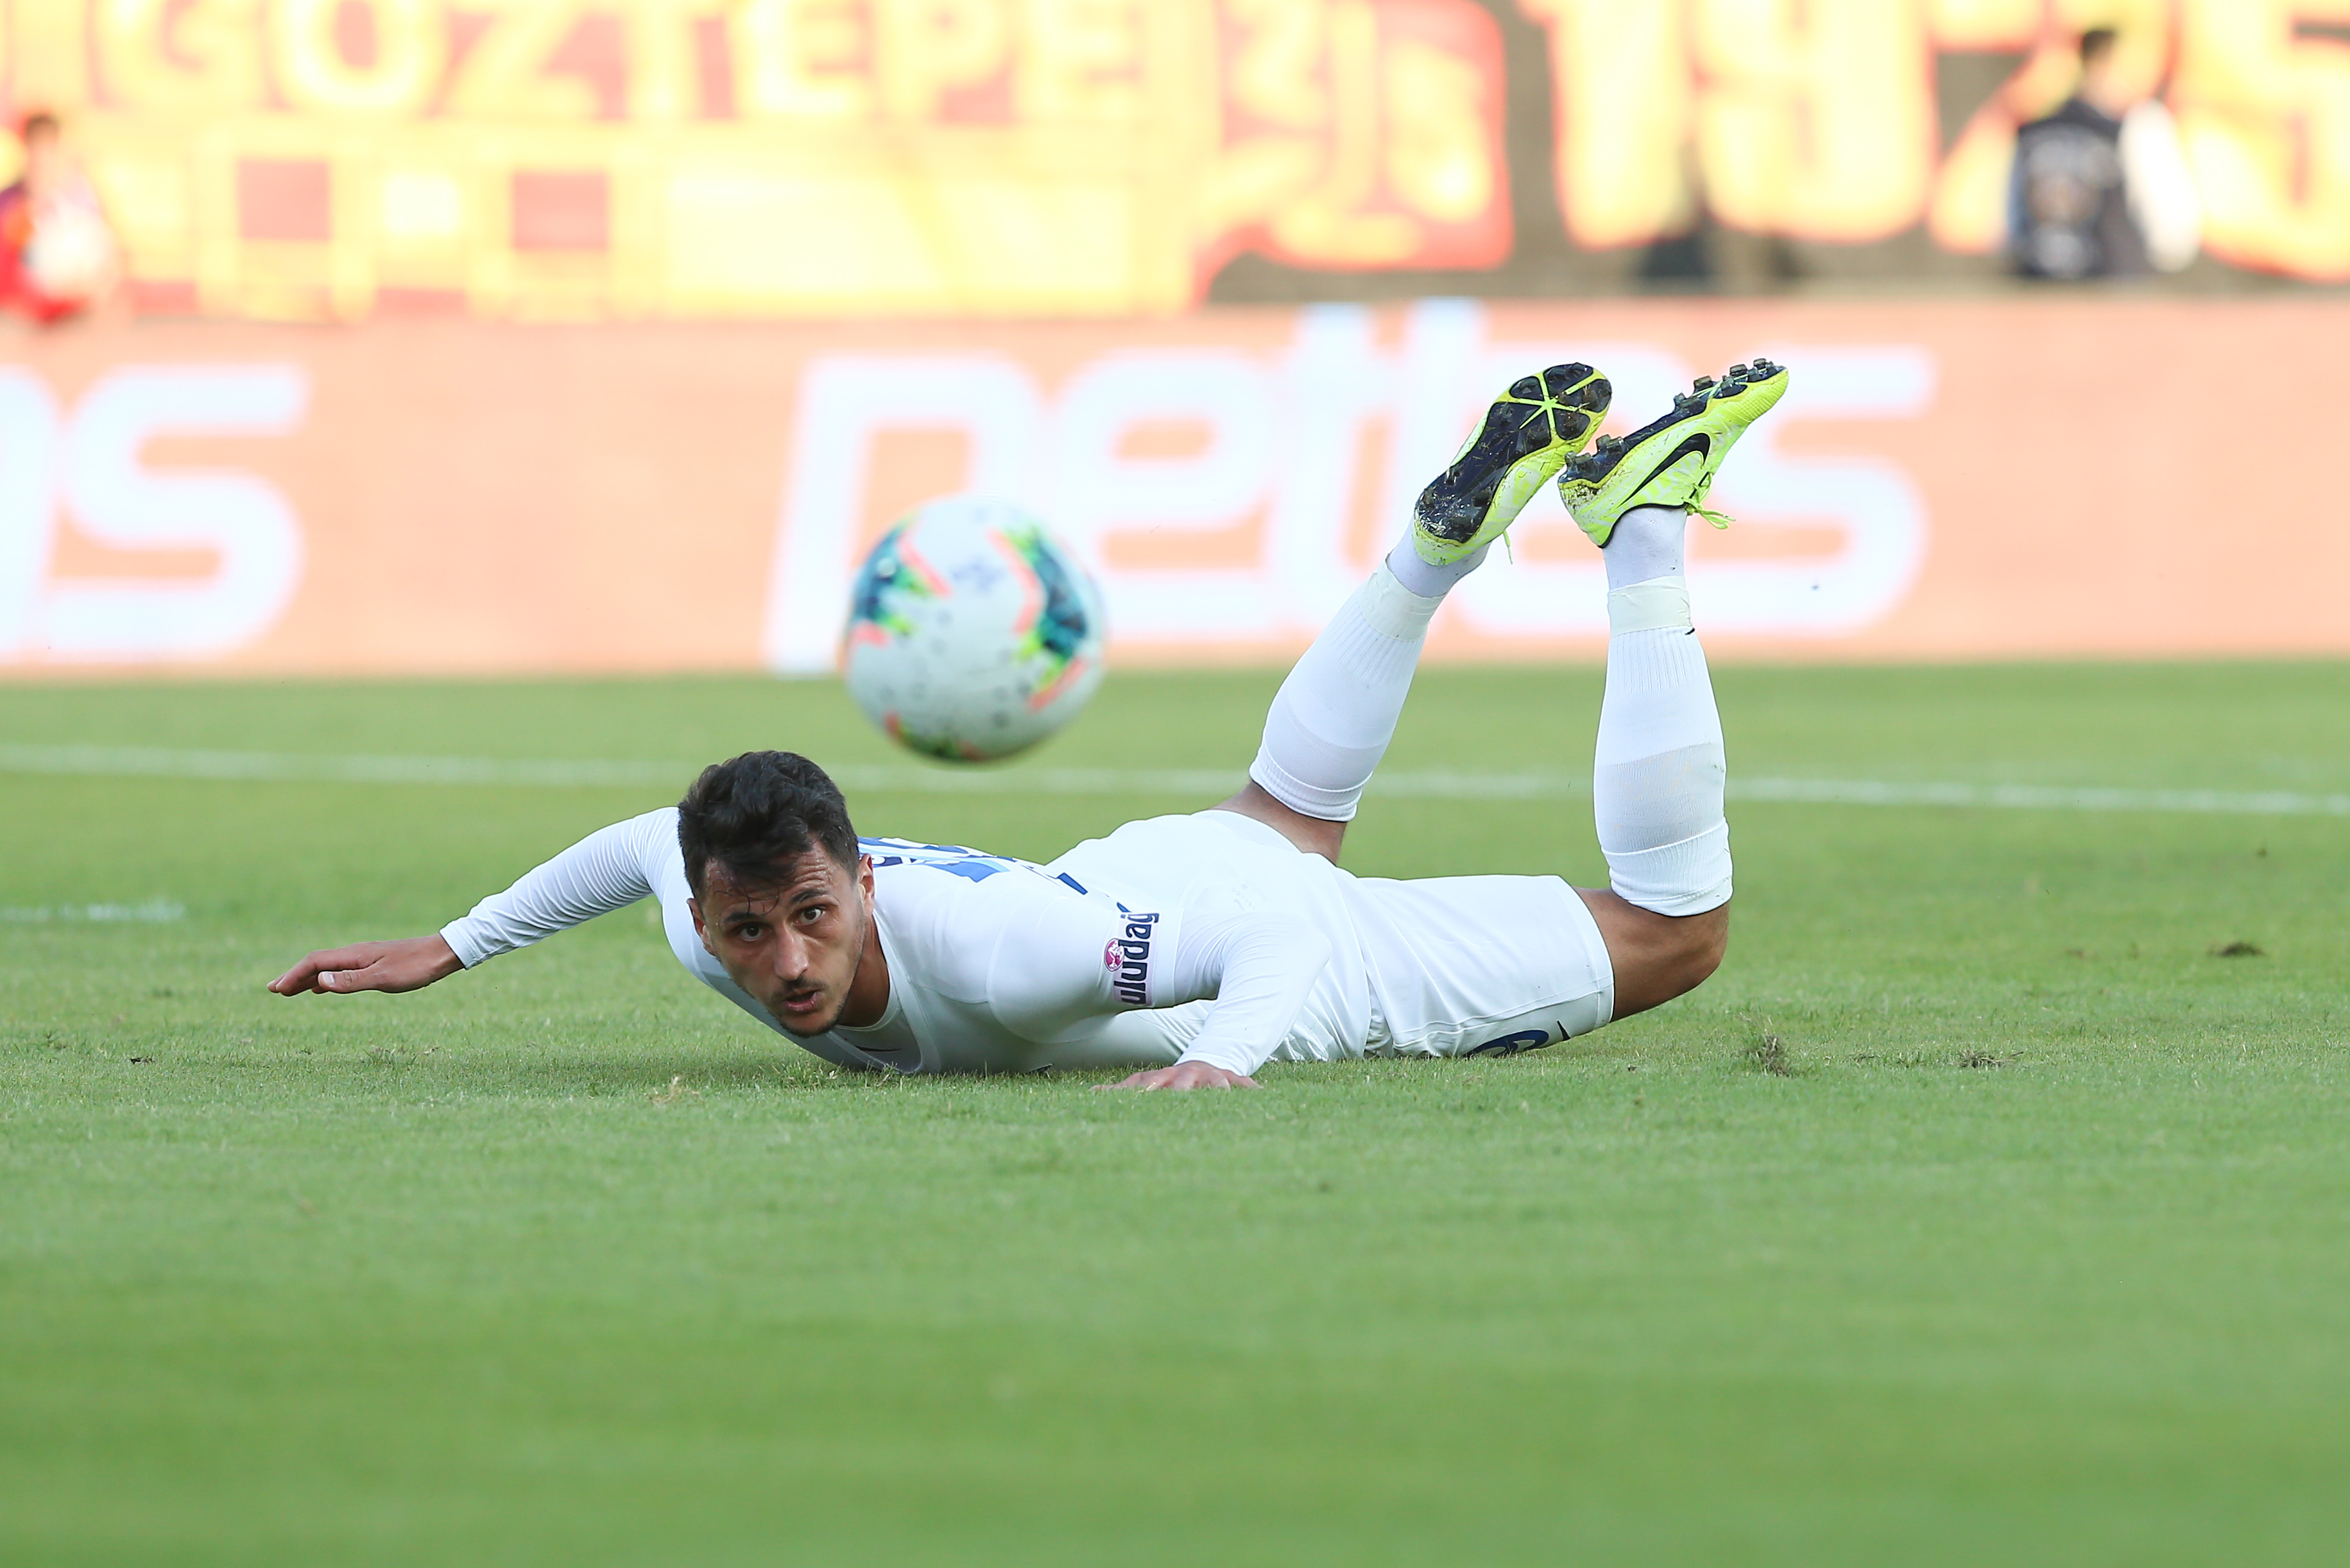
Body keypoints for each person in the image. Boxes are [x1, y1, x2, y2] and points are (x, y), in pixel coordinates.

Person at [270, 360, 1788, 1089]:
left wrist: (1226, 1065)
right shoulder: (700, 908)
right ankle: (1429, 555)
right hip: (1132, 877)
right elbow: (631, 845)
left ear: (863, 880)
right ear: (709, 910)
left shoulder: (1009, 961)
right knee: (1282, 812)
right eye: (748, 932)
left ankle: (1640, 527)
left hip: (1190, 936)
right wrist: (455, 945)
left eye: (809, 917)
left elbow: (1278, 941)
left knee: (1675, 931)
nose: (782, 963)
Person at [2009, 27, 2200, 280]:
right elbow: (2171, 224)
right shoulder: (2137, 126)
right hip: (2112, 282)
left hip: (2040, 280)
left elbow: (2012, 224)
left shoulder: (2035, 131)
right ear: (2105, 64)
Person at [0, 111, 123, 325]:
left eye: (47, 146)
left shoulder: (82, 195)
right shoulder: (11, 199)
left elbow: (107, 251)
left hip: (74, 304)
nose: (41, 156)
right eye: (35, 146)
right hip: (26, 306)